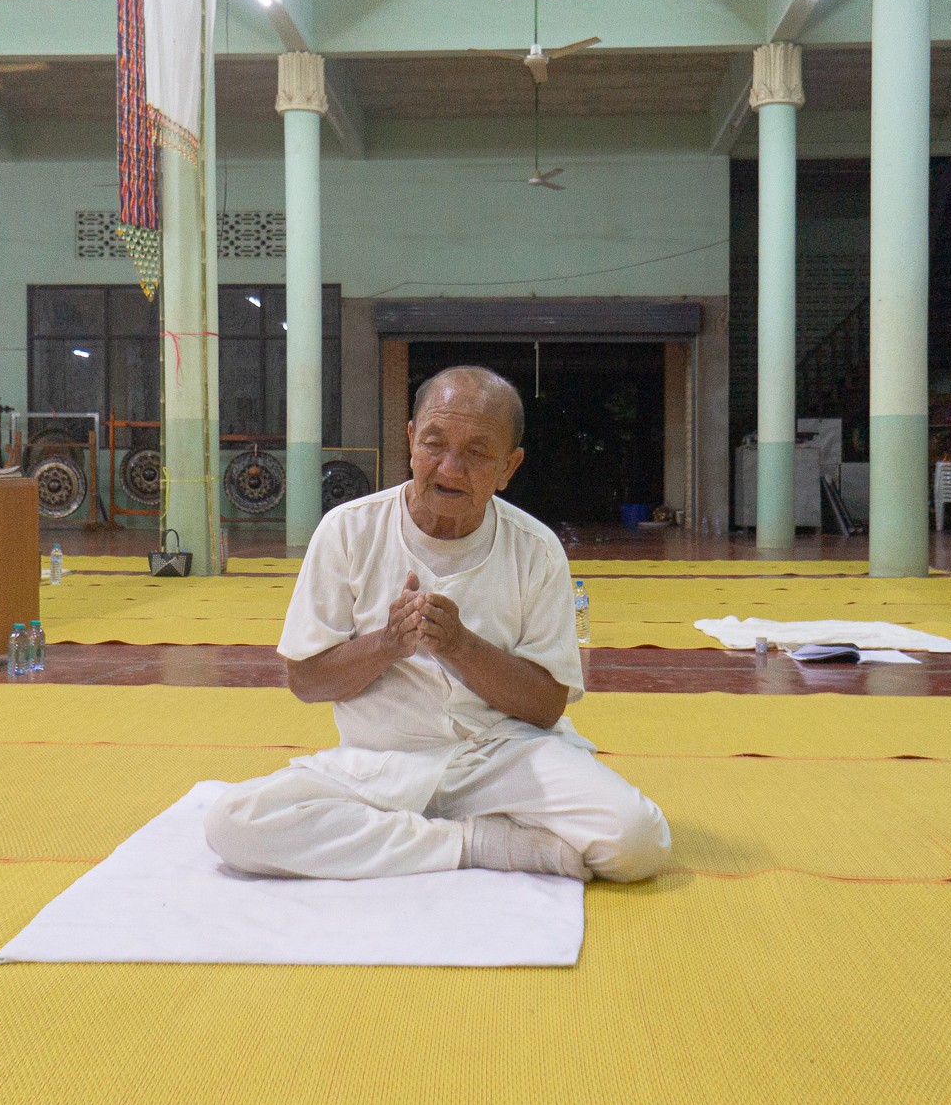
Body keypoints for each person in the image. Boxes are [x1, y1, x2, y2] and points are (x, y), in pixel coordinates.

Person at [203, 366, 671, 882]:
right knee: (234, 824)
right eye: (434, 443)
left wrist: (461, 646)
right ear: (410, 440)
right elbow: (306, 681)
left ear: (509, 466)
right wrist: (387, 644)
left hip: (500, 757)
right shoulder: (348, 530)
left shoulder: (535, 549)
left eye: (478, 452)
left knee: (638, 840)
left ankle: (409, 835)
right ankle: (481, 843)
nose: (450, 467)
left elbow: (545, 707)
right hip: (380, 763)